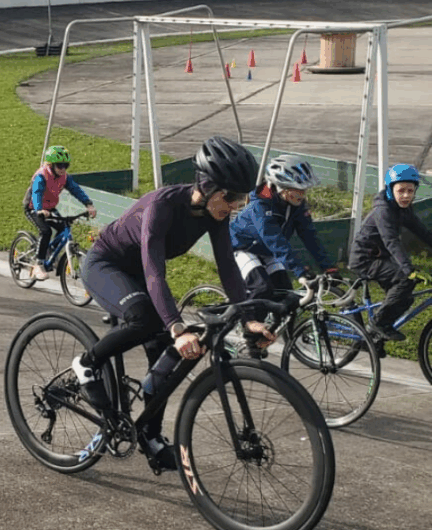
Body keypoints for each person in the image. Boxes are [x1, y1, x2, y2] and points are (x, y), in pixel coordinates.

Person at [73, 136, 275, 471]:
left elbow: (227, 266)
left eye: (242, 198)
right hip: (106, 265)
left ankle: (151, 438)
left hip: (139, 273)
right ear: (208, 187)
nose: (236, 205)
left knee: (164, 359)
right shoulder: (162, 206)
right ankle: (86, 364)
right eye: (232, 197)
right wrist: (177, 327)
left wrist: (248, 319)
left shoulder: (215, 213)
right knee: (146, 320)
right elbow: (154, 272)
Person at [228, 154, 340, 354]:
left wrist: (327, 266)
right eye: (298, 190)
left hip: (267, 251)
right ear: (281, 187)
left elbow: (310, 236)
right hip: (242, 248)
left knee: (285, 292)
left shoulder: (296, 205)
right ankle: (251, 335)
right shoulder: (260, 205)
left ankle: (275, 331)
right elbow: (275, 241)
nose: (302, 195)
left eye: (304, 190)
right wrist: (300, 271)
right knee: (261, 287)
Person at [348, 163, 432, 342]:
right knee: (404, 279)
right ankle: (378, 324)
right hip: (364, 259)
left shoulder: (403, 209)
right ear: (390, 189)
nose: (406, 195)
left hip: (380, 257)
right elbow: (391, 241)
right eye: (401, 191)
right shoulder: (383, 211)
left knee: (404, 299)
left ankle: (372, 340)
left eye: (410, 191)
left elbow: (423, 233)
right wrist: (408, 269)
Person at [22, 145, 97, 280]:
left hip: (50, 208)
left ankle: (50, 253)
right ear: (50, 165)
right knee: (46, 231)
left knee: (64, 228)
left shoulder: (64, 177)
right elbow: (37, 193)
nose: (63, 169)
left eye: (66, 166)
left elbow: (75, 189)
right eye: (59, 165)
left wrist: (88, 204)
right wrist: (39, 209)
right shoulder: (41, 176)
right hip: (33, 207)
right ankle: (38, 263)